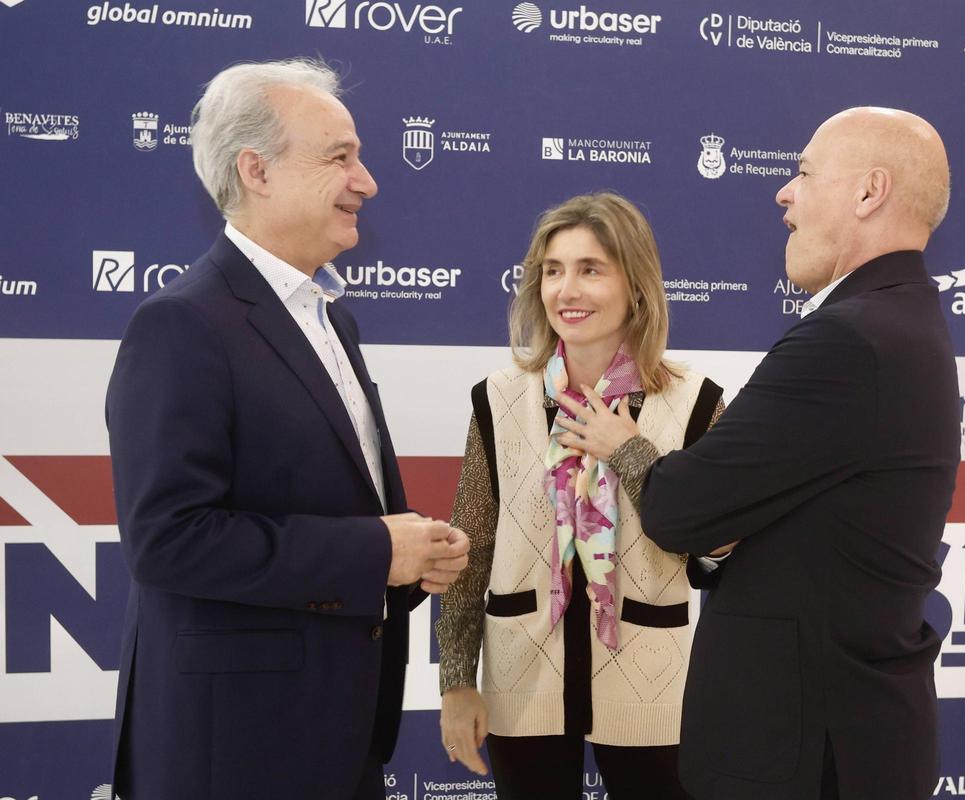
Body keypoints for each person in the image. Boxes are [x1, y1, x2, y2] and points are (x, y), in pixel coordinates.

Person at [563, 108, 960, 800]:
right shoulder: (901, 320)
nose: (783, 192)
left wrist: (628, 447)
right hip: (846, 736)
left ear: (869, 192)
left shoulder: (849, 339)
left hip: (804, 756)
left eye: (804, 172)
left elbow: (682, 509)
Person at [105, 58, 469, 800]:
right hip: (235, 752)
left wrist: (407, 562)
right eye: (340, 157)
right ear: (256, 171)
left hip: (336, 738)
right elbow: (169, 540)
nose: (367, 181)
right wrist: (375, 550)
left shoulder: (333, 319)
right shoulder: (180, 324)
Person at [435, 192, 725, 799]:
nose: (567, 290)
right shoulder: (498, 398)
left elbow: (714, 544)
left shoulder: (696, 401)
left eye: (591, 269)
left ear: (635, 284)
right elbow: (473, 545)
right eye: (553, 270)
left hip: (652, 681)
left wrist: (629, 451)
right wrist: (457, 681)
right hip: (523, 678)